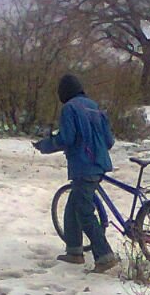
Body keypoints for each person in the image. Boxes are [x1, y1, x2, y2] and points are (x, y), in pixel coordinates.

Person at [33, 74, 118, 272]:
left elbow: (67, 138)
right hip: (100, 164)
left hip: (83, 166)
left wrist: (47, 145)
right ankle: (74, 251)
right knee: (73, 205)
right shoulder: (94, 106)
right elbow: (109, 142)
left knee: (85, 211)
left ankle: (105, 256)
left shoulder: (69, 108)